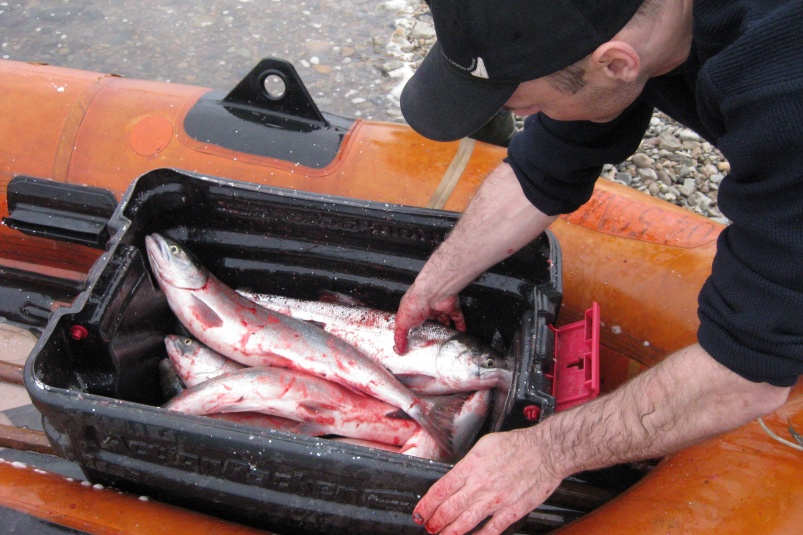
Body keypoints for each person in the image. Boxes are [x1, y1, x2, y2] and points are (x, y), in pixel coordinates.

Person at [394, 0, 803, 533]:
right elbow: (552, 160)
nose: (526, 119)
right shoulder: (620, 21)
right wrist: (435, 281)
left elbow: (747, 370)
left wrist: (543, 453)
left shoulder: (784, 94)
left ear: (616, 63)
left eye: (522, 104)